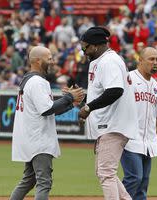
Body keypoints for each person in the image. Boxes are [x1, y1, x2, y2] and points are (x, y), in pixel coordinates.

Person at [10, 46, 85, 200]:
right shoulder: (37, 82)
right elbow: (46, 110)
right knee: (44, 182)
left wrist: (71, 103)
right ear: (38, 60)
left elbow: (50, 111)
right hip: (38, 139)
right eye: (49, 58)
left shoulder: (30, 79)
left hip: (31, 137)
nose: (52, 61)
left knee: (29, 180)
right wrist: (69, 97)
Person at [78, 26, 138, 200]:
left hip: (114, 124)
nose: (84, 51)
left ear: (95, 45)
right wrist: (82, 100)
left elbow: (115, 91)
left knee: (106, 173)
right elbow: (101, 92)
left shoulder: (109, 61)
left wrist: (88, 108)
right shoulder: (101, 61)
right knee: (104, 172)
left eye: (85, 47)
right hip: (110, 123)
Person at [121, 47, 157, 199]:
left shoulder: (156, 86)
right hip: (130, 139)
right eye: (151, 59)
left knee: (143, 183)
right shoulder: (128, 79)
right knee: (134, 178)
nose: (155, 62)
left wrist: (155, 138)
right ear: (140, 60)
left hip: (148, 142)